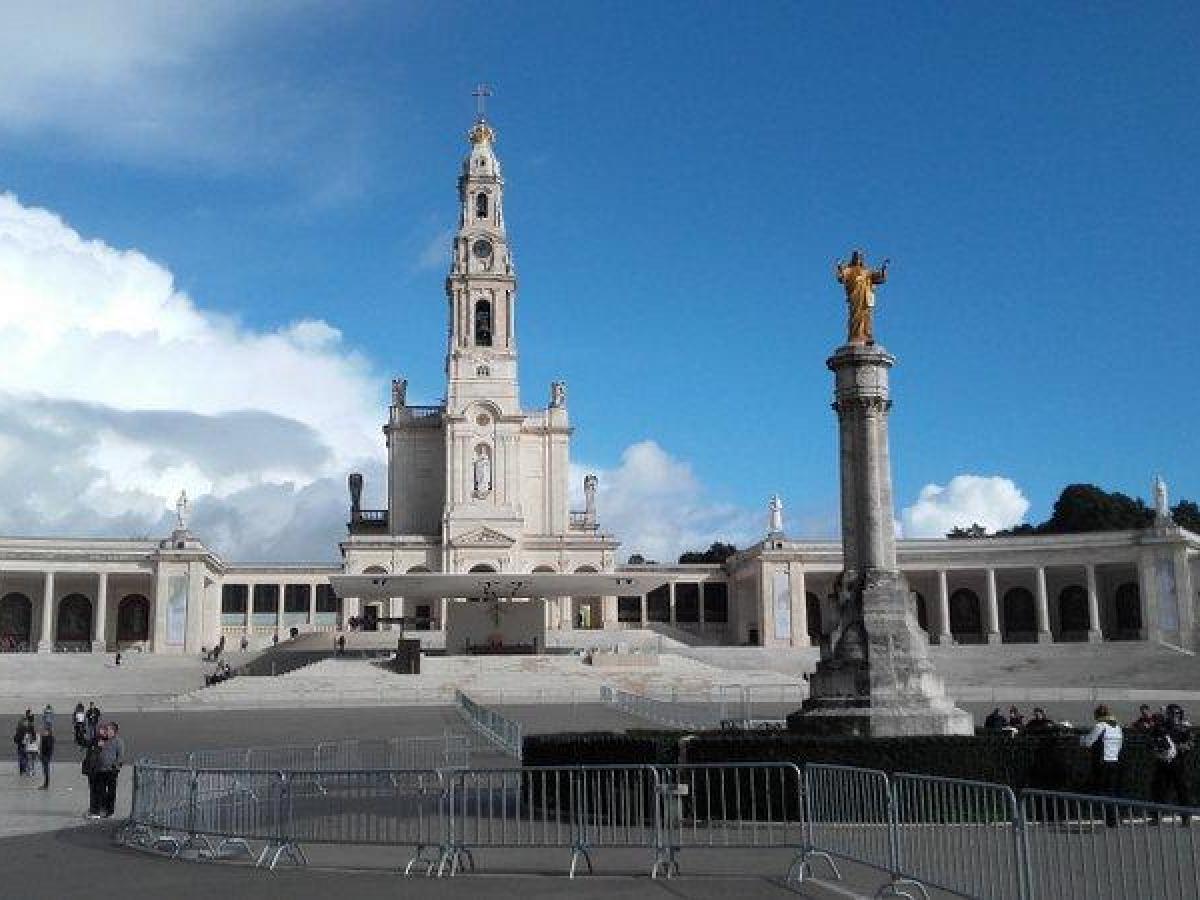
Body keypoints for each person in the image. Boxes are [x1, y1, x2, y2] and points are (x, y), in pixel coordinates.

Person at [1149, 704, 1194, 825]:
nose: (1175, 717)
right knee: (1159, 790)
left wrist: (1176, 747)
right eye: (1172, 714)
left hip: (1179, 763)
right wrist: (1160, 750)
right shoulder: (1160, 727)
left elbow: (1190, 744)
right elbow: (1152, 742)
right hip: (1163, 763)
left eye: (1177, 714)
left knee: (1182, 790)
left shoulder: (1185, 727)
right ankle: (1156, 816)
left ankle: (1186, 818)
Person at [1080, 704, 1123, 827]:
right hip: (1114, 761)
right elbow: (1120, 746)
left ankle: (1104, 818)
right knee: (1112, 791)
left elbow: (1088, 742)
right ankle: (1115, 818)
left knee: (1100, 791)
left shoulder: (1100, 726)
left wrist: (1080, 739)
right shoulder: (1117, 727)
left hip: (1101, 763)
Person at [94, 722, 124, 818]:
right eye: (106, 729)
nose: (106, 731)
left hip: (111, 770)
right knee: (101, 791)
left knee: (111, 791)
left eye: (108, 729)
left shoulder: (118, 742)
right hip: (101, 770)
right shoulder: (102, 740)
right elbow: (95, 752)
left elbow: (120, 756)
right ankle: (104, 808)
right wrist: (99, 746)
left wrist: (115, 767)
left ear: (114, 731)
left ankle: (110, 810)